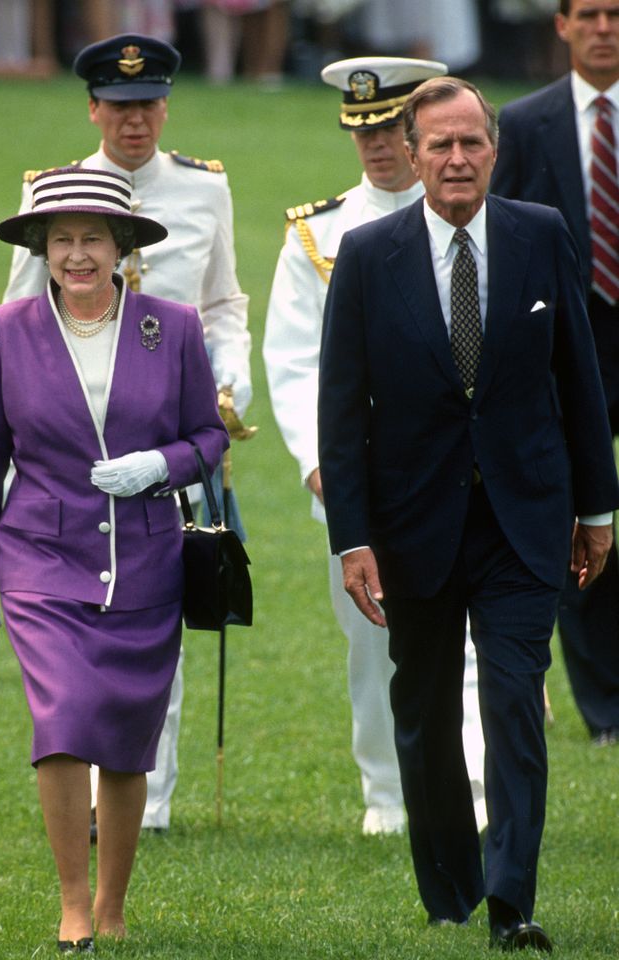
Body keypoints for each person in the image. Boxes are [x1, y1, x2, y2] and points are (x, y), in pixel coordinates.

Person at [318, 75, 619, 950]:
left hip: (527, 519)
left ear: (495, 150)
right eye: (439, 145)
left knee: (517, 702)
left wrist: (596, 508)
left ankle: (510, 900)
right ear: (411, 156)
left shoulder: (541, 235)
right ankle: (449, 885)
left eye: (472, 143)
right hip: (414, 527)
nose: (457, 159)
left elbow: (580, 379)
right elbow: (343, 411)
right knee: (425, 709)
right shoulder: (368, 256)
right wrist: (354, 539)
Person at [0, 166, 229, 952]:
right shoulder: (4, 328)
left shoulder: (170, 325)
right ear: (42, 248)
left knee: (125, 736)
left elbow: (207, 437)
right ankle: (74, 906)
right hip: (41, 556)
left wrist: (160, 466)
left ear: (122, 249)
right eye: (62, 240)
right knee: (66, 721)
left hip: (146, 561)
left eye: (93, 240)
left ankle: (114, 905)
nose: (78, 256)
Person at [2, 33, 252, 833]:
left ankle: (150, 801)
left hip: (170, 430)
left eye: (147, 107)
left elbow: (224, 302)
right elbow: (19, 321)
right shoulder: (54, 190)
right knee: (77, 624)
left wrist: (231, 374)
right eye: (118, 107)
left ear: (166, 106)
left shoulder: (204, 188)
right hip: (72, 445)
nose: (133, 122)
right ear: (93, 109)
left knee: (162, 613)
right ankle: (91, 784)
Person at [263, 56, 486, 836]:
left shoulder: (480, 216)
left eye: (390, 128)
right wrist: (318, 465)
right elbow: (292, 361)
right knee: (375, 638)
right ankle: (389, 793)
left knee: (469, 630)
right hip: (363, 472)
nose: (377, 147)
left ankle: (476, 789)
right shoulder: (319, 233)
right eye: (361, 132)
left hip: (460, 466)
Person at [490, 0, 619, 746]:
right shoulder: (526, 121)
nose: (604, 28)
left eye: (615, 14)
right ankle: (605, 707)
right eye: (590, 14)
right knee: (579, 520)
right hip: (568, 344)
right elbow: (502, 232)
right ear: (563, 25)